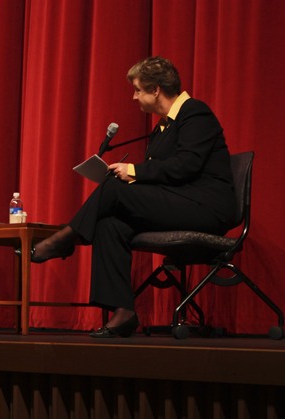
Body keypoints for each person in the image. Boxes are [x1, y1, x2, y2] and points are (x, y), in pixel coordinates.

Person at [31, 56, 237, 338]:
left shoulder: (195, 113)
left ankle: (65, 238)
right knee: (110, 223)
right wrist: (129, 174)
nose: (134, 96)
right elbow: (163, 175)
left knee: (115, 189)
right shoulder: (162, 128)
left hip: (206, 208)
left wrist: (134, 171)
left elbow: (186, 165)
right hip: (177, 203)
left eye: (138, 89)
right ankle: (123, 312)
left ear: (155, 90)